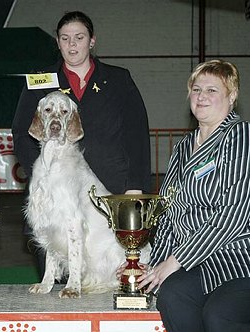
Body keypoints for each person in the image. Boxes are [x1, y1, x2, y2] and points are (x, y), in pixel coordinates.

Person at [134, 59, 250, 332]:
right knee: (172, 296)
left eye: (212, 90)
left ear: (232, 96)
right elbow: (169, 217)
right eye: (196, 89)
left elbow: (233, 212)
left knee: (222, 316)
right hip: (212, 261)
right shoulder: (181, 149)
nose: (202, 95)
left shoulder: (242, 135)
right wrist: (152, 268)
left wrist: (175, 261)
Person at [12, 11, 151, 276]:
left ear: (92, 41)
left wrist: (135, 185)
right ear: (58, 42)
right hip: (56, 195)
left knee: (117, 275)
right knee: (57, 285)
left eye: (79, 37)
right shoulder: (39, 81)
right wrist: (44, 175)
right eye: (65, 38)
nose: (72, 44)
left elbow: (137, 136)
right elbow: (21, 133)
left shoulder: (119, 79)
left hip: (112, 191)